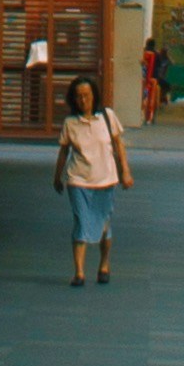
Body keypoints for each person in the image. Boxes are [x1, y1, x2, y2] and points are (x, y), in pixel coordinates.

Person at [55, 69, 130, 286]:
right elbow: (63, 152)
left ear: (94, 96)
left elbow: (119, 145)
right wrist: (57, 176)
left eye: (87, 95)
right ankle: (79, 272)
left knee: (104, 224)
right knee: (81, 221)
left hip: (105, 180)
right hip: (78, 180)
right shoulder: (71, 123)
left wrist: (125, 171)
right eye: (78, 96)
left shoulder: (107, 117)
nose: (83, 100)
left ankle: (104, 263)